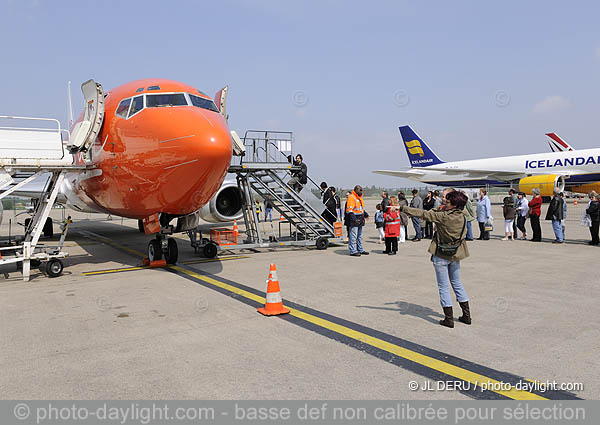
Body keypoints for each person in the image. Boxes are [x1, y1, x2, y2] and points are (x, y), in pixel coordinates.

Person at [400, 190, 471, 328]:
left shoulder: (443, 217)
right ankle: (466, 316)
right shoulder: (463, 215)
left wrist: (402, 208)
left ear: (455, 205)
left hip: (441, 255)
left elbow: (423, 214)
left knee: (443, 287)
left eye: (448, 201)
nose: (445, 202)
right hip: (456, 254)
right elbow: (438, 210)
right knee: (457, 283)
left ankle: (448, 319)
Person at [346, 185, 369, 256]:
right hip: (354, 219)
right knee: (353, 236)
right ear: (356, 190)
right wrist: (354, 219)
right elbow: (349, 210)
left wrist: (365, 214)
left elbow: (361, 209)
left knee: (359, 236)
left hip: (360, 219)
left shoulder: (359, 198)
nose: (361, 191)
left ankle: (360, 249)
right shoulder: (352, 197)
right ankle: (353, 251)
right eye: (360, 190)